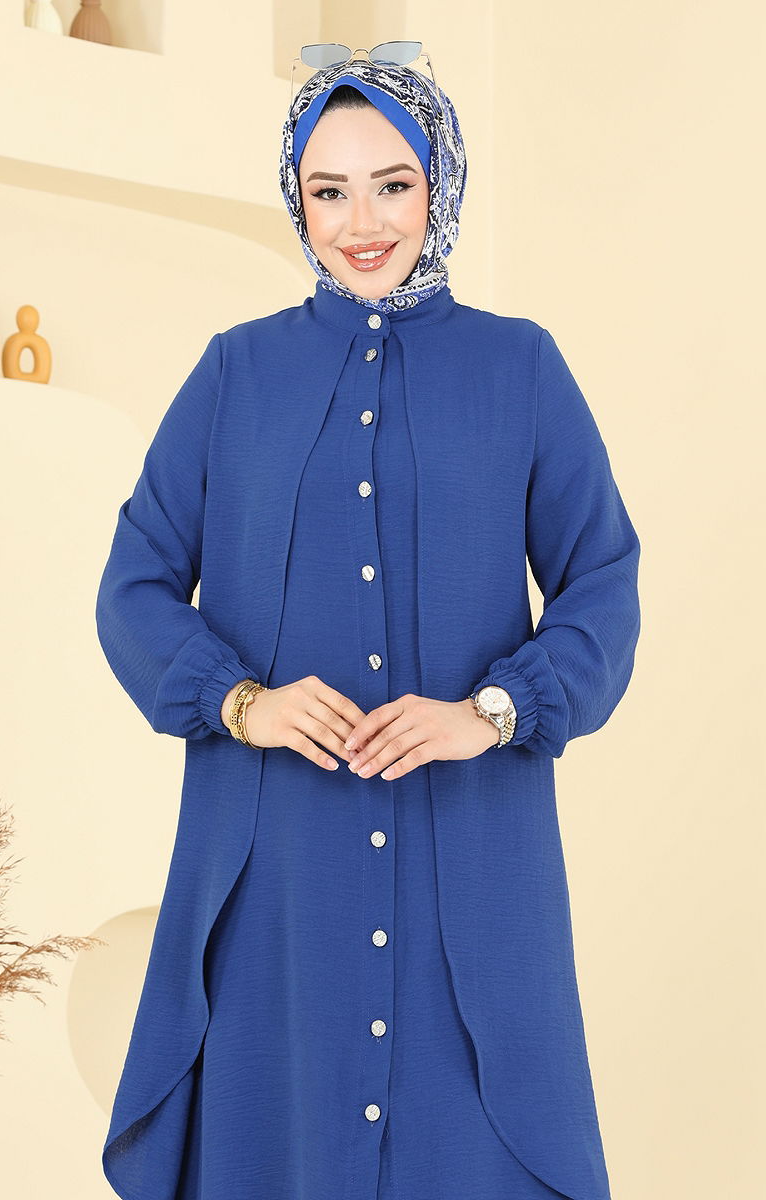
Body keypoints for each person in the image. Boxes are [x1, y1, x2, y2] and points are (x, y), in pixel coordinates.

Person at [97, 51, 641, 1200]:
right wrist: (240, 702)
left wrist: (493, 710)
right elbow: (132, 585)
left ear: (439, 182)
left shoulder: (519, 368)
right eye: (328, 191)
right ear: (295, 200)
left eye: (391, 184)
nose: (362, 223)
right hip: (278, 879)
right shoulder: (235, 374)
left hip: (471, 869)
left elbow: (602, 581)